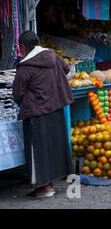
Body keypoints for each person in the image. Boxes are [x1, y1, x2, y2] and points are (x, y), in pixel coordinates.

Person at [12, 31, 74, 198]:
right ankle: (50, 185)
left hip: (36, 112)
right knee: (53, 147)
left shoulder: (25, 66)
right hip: (56, 108)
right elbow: (67, 68)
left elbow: (17, 92)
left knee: (39, 151)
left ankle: (43, 188)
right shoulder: (52, 55)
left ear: (23, 47)